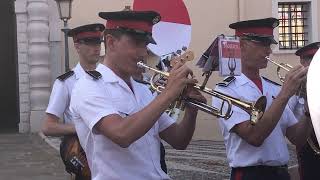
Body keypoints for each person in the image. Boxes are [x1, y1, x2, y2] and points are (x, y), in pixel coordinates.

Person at [69, 10, 206, 180]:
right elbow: (122, 135)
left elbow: (179, 140)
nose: (143, 53)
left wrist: (191, 110)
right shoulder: (88, 86)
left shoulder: (143, 89)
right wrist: (169, 93)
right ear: (111, 42)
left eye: (146, 45)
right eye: (137, 44)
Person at [212, 17, 312, 180]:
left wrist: (310, 105)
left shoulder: (274, 88)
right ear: (242, 46)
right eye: (262, 44)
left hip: (281, 173)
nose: (269, 51)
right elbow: (254, 137)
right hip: (250, 174)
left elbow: (297, 139)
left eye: (269, 45)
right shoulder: (226, 90)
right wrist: (285, 94)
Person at [41, 23, 104, 178]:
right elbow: (48, 127)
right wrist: (81, 127)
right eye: (89, 43)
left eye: (98, 42)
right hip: (85, 159)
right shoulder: (66, 83)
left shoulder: (107, 78)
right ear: (77, 46)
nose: (96, 48)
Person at [289, 42, 320, 180]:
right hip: (308, 144)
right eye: (311, 60)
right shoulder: (295, 87)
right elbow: (286, 114)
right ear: (302, 62)